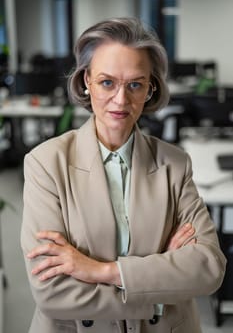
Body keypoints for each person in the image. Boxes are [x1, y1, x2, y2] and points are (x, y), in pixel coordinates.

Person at [21, 17, 226, 333]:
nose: (121, 99)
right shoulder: (46, 164)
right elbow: (53, 292)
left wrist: (100, 271)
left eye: (135, 84)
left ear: (149, 88)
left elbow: (209, 268)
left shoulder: (175, 163)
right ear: (86, 80)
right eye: (107, 82)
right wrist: (158, 289)